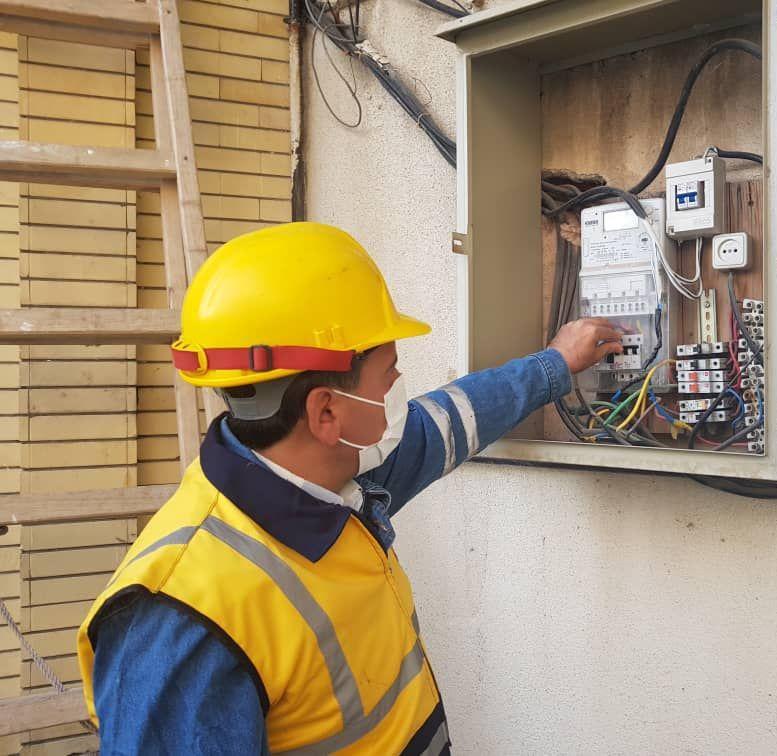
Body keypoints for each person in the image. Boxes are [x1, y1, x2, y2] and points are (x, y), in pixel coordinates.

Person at [75, 222, 621, 755]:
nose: (398, 388)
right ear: (326, 412)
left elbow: (452, 420)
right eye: (390, 373)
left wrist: (555, 364)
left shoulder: (334, 477)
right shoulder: (181, 624)